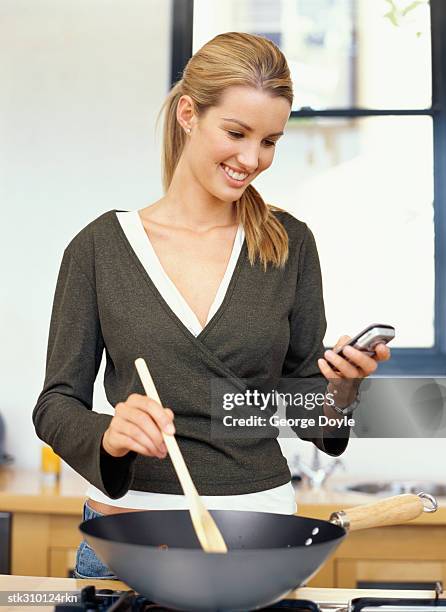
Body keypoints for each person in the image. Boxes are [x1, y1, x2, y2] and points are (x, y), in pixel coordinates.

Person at [33, 32, 390, 579]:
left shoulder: (290, 246)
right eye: (236, 132)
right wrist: (107, 433)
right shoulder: (99, 248)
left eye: (270, 141)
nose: (252, 159)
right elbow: (56, 403)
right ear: (187, 114)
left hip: (260, 530)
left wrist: (341, 390)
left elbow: (301, 408)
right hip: (128, 529)